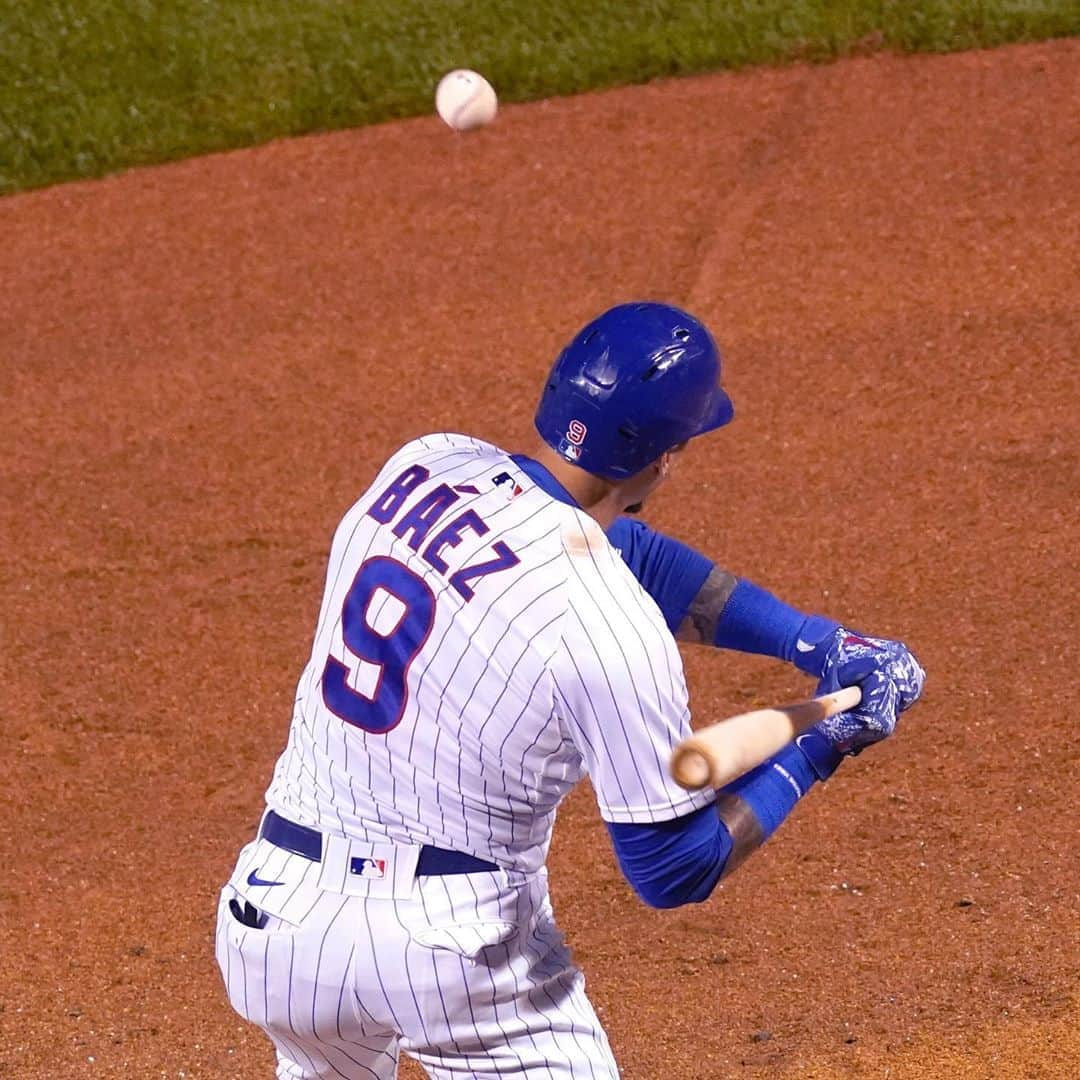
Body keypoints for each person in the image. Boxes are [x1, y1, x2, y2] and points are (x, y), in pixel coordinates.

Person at [215, 302, 925, 1079]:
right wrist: (824, 744)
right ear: (670, 455)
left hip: (273, 924)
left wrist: (813, 640)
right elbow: (673, 869)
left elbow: (623, 547)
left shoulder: (421, 466)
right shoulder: (612, 629)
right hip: (452, 954)